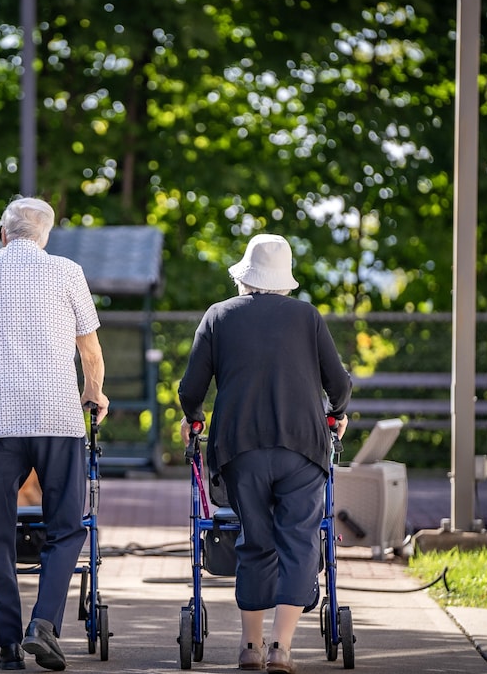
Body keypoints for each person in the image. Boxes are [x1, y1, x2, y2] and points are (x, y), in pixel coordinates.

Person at [177, 233, 351, 674]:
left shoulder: (219, 316)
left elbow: (190, 388)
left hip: (241, 447)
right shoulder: (307, 317)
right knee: (299, 542)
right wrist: (338, 413)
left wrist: (192, 417)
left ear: (246, 278)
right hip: (302, 446)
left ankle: (250, 646)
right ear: (284, 280)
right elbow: (340, 384)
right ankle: (282, 648)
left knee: (255, 542)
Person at [0, 196, 110, 672]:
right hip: (57, 418)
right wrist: (94, 393)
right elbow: (91, 350)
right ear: (45, 236)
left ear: (3, 233)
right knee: (65, 527)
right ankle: (43, 623)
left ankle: (5, 648)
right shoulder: (68, 271)